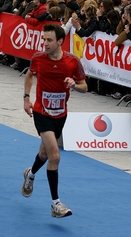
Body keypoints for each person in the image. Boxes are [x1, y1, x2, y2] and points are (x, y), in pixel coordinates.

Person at [22, 24, 87, 218]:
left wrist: (74, 85)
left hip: (61, 114)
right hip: (41, 113)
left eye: (49, 40)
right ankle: (55, 204)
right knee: (55, 156)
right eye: (44, 39)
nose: (45, 43)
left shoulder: (72, 62)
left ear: (60, 41)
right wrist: (26, 98)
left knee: (44, 153)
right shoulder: (38, 59)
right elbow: (29, 74)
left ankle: (30, 174)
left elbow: (85, 86)